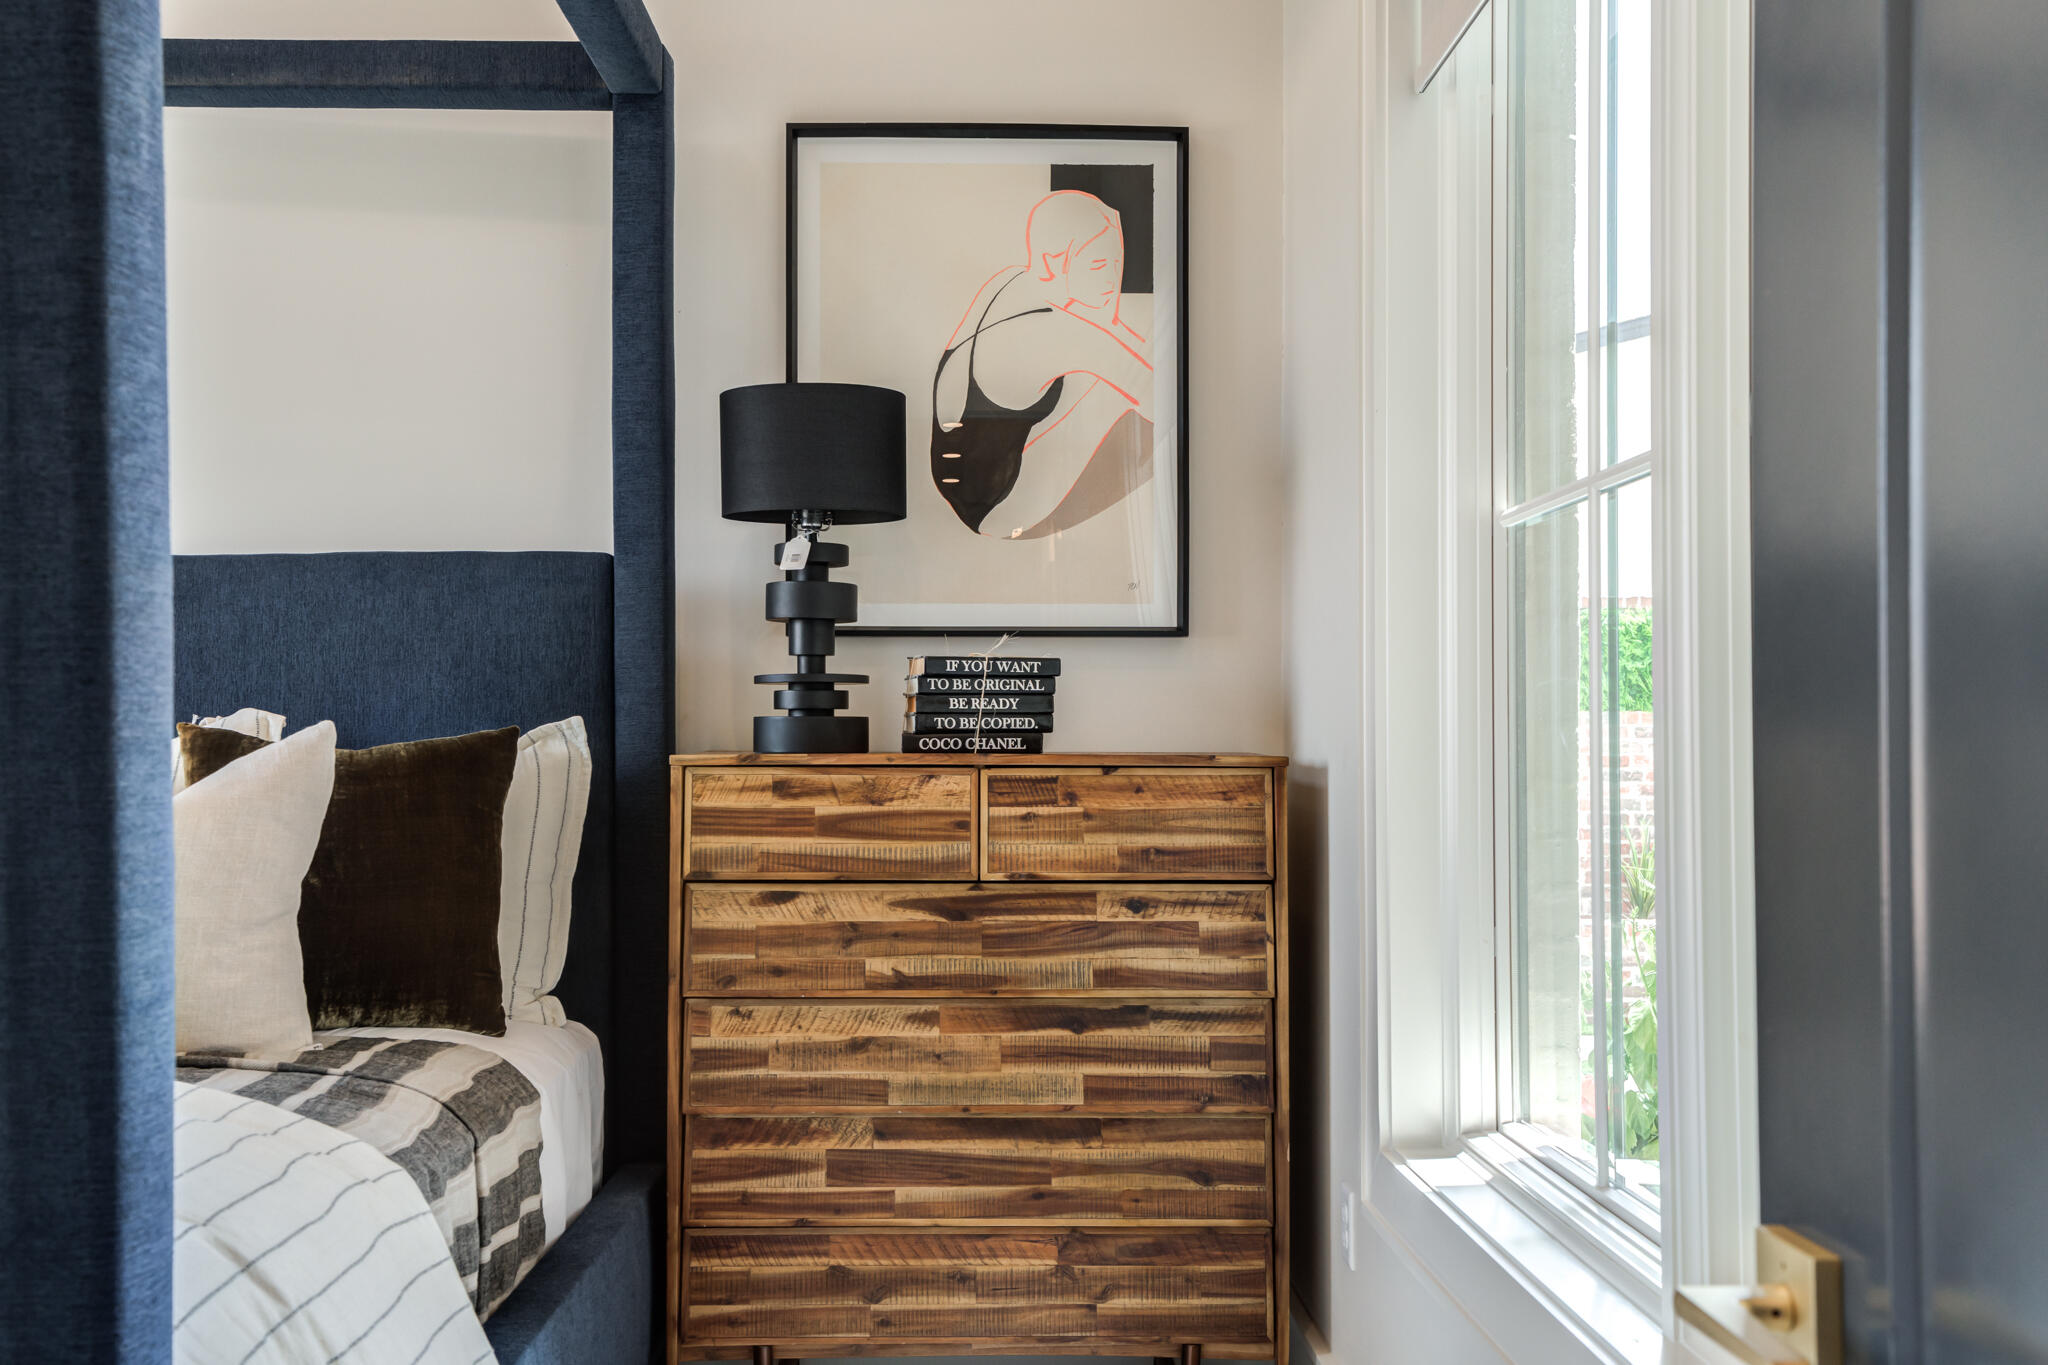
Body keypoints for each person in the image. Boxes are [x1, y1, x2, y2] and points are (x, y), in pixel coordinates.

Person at [930, 189, 1155, 539]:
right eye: (1098, 265)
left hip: (966, 489)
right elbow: (1156, 390)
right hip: (1002, 512)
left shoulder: (1010, 282)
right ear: (1053, 264)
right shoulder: (1050, 333)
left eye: (1117, 262)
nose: (1112, 281)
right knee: (1153, 417)